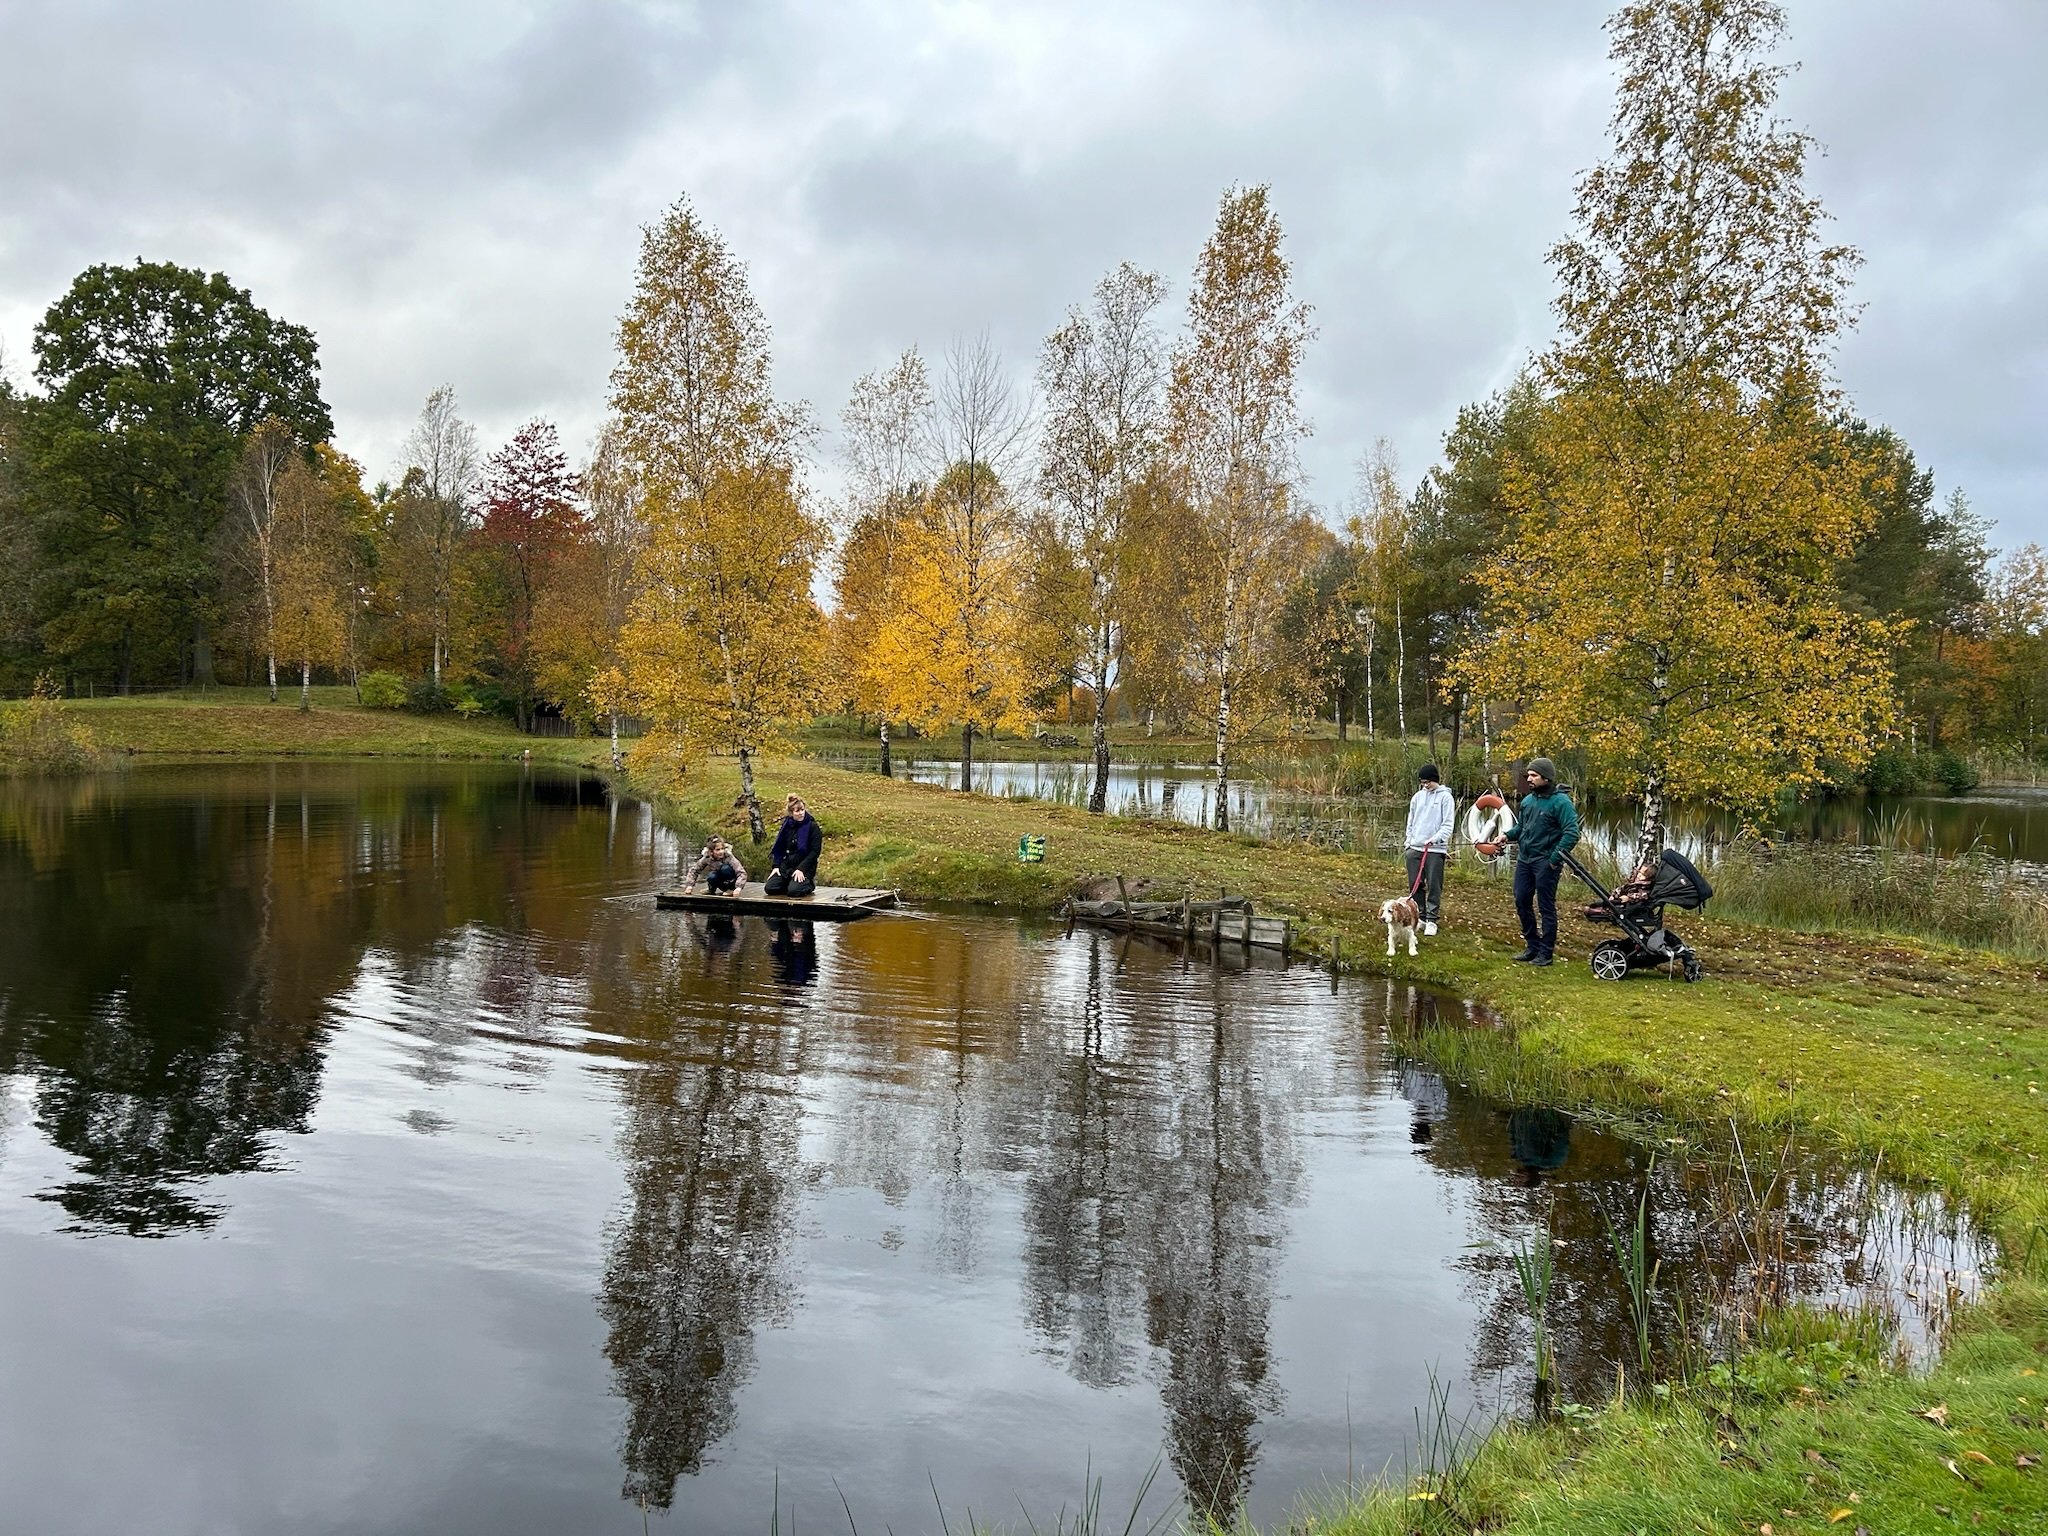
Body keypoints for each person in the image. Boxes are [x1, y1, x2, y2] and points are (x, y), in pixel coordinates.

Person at [1494, 757, 1580, 966]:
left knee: (1545, 906)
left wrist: (1553, 859)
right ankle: (1532, 946)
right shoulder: (1527, 801)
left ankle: (1546, 953)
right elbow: (1521, 829)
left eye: (1534, 775)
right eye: (1529, 775)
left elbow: (1572, 833)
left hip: (1546, 862)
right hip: (1525, 860)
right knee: (1521, 900)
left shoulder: (1561, 803)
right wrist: (1506, 835)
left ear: (1546, 778)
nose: (1529, 779)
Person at [1401, 764, 1456, 935]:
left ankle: (1432, 920)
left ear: (1435, 780)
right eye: (1422, 782)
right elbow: (1411, 821)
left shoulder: (1446, 798)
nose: (1425, 785)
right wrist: (1409, 842)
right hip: (1415, 847)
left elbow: (1448, 825)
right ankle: (1421, 917)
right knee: (1415, 884)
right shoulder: (1417, 797)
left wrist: (1435, 839)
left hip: (1435, 849)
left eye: (1428, 782)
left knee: (1434, 885)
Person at [764, 793, 821, 897]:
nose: (801, 813)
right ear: (791, 813)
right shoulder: (787, 825)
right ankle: (788, 882)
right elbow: (780, 847)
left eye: (802, 810)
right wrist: (776, 866)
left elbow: (815, 852)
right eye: (797, 811)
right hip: (786, 865)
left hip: (804, 866)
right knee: (770, 888)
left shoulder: (812, 827)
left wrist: (801, 869)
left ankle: (807, 885)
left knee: (794, 892)